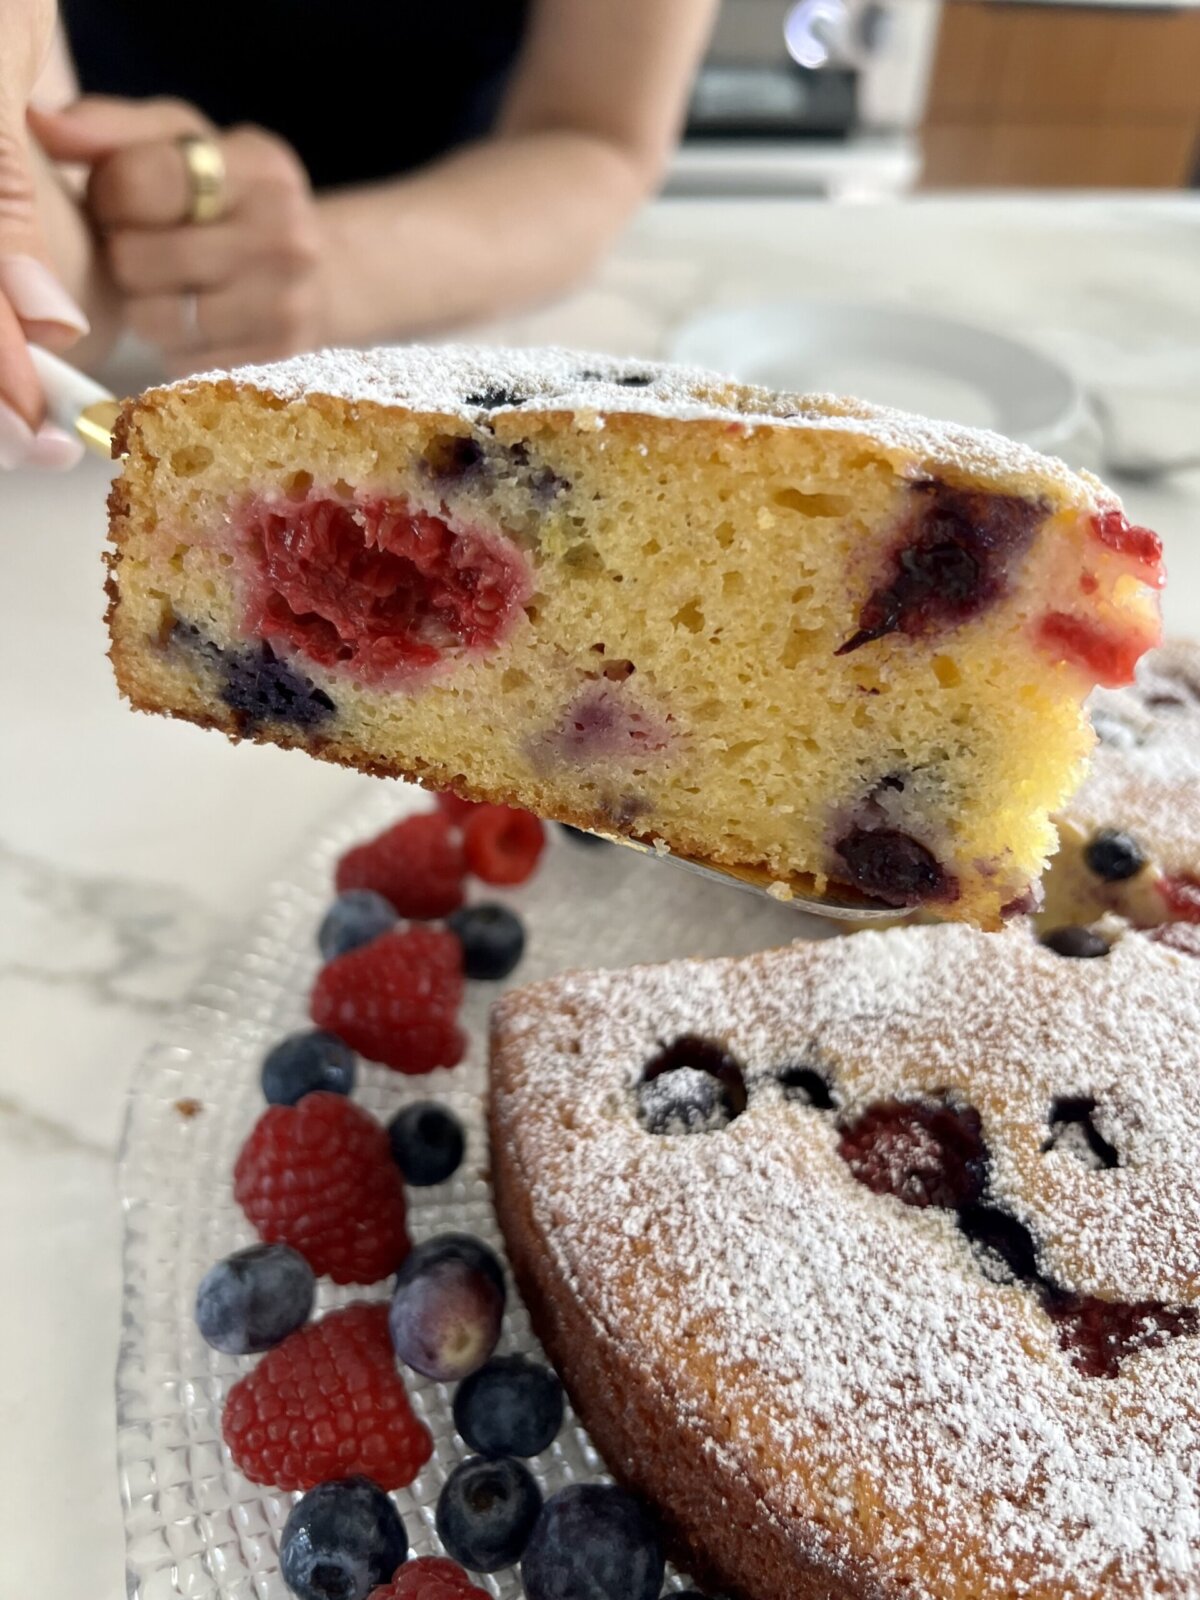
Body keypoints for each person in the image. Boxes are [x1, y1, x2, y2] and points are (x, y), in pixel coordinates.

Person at [0, 0, 717, 470]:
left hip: (469, 308)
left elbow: (594, 136)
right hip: (125, 298)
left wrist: (325, 272)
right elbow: (52, 254)